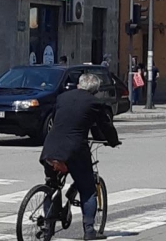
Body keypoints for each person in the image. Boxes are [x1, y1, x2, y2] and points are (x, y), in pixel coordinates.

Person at [40, 72, 120, 241]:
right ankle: (89, 231)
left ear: (79, 85)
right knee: (88, 189)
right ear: (96, 90)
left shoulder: (62, 98)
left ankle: (47, 227)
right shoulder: (95, 103)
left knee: (52, 186)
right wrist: (113, 141)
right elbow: (105, 126)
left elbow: (57, 119)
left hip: (51, 148)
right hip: (75, 150)